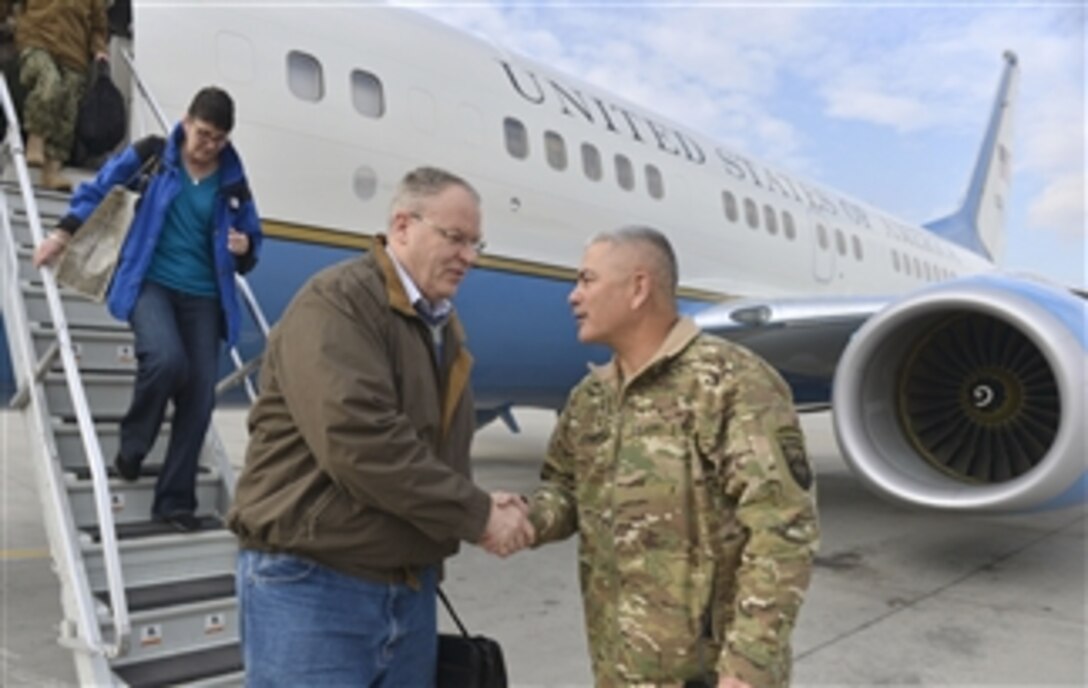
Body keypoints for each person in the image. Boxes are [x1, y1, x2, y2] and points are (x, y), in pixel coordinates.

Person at [227, 166, 534, 687]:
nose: (469, 257)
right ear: (402, 225)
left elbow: (427, 450)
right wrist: (479, 513)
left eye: (476, 243)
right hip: (316, 587)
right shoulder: (338, 303)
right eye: (455, 238)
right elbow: (363, 443)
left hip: (406, 587)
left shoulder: (440, 325)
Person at [525, 226, 820, 688]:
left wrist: (747, 666)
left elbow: (783, 530)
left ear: (638, 287)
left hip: (710, 676)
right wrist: (518, 520)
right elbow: (563, 490)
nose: (573, 296)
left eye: (587, 280)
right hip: (618, 669)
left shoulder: (732, 383)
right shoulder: (591, 398)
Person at [34, 86, 263, 532]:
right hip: (150, 281)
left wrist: (245, 246)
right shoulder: (153, 156)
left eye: (219, 138)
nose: (209, 145)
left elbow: (251, 237)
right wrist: (61, 235)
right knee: (164, 359)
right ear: (186, 120)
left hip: (204, 296)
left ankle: (175, 503)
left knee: (198, 398)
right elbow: (100, 189)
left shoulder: (232, 179)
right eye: (203, 134)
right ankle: (133, 445)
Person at [3, 0, 109, 190]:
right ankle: (36, 141)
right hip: (37, 42)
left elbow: (98, 25)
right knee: (50, 83)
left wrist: (100, 50)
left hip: (74, 55)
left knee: (67, 112)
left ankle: (51, 171)